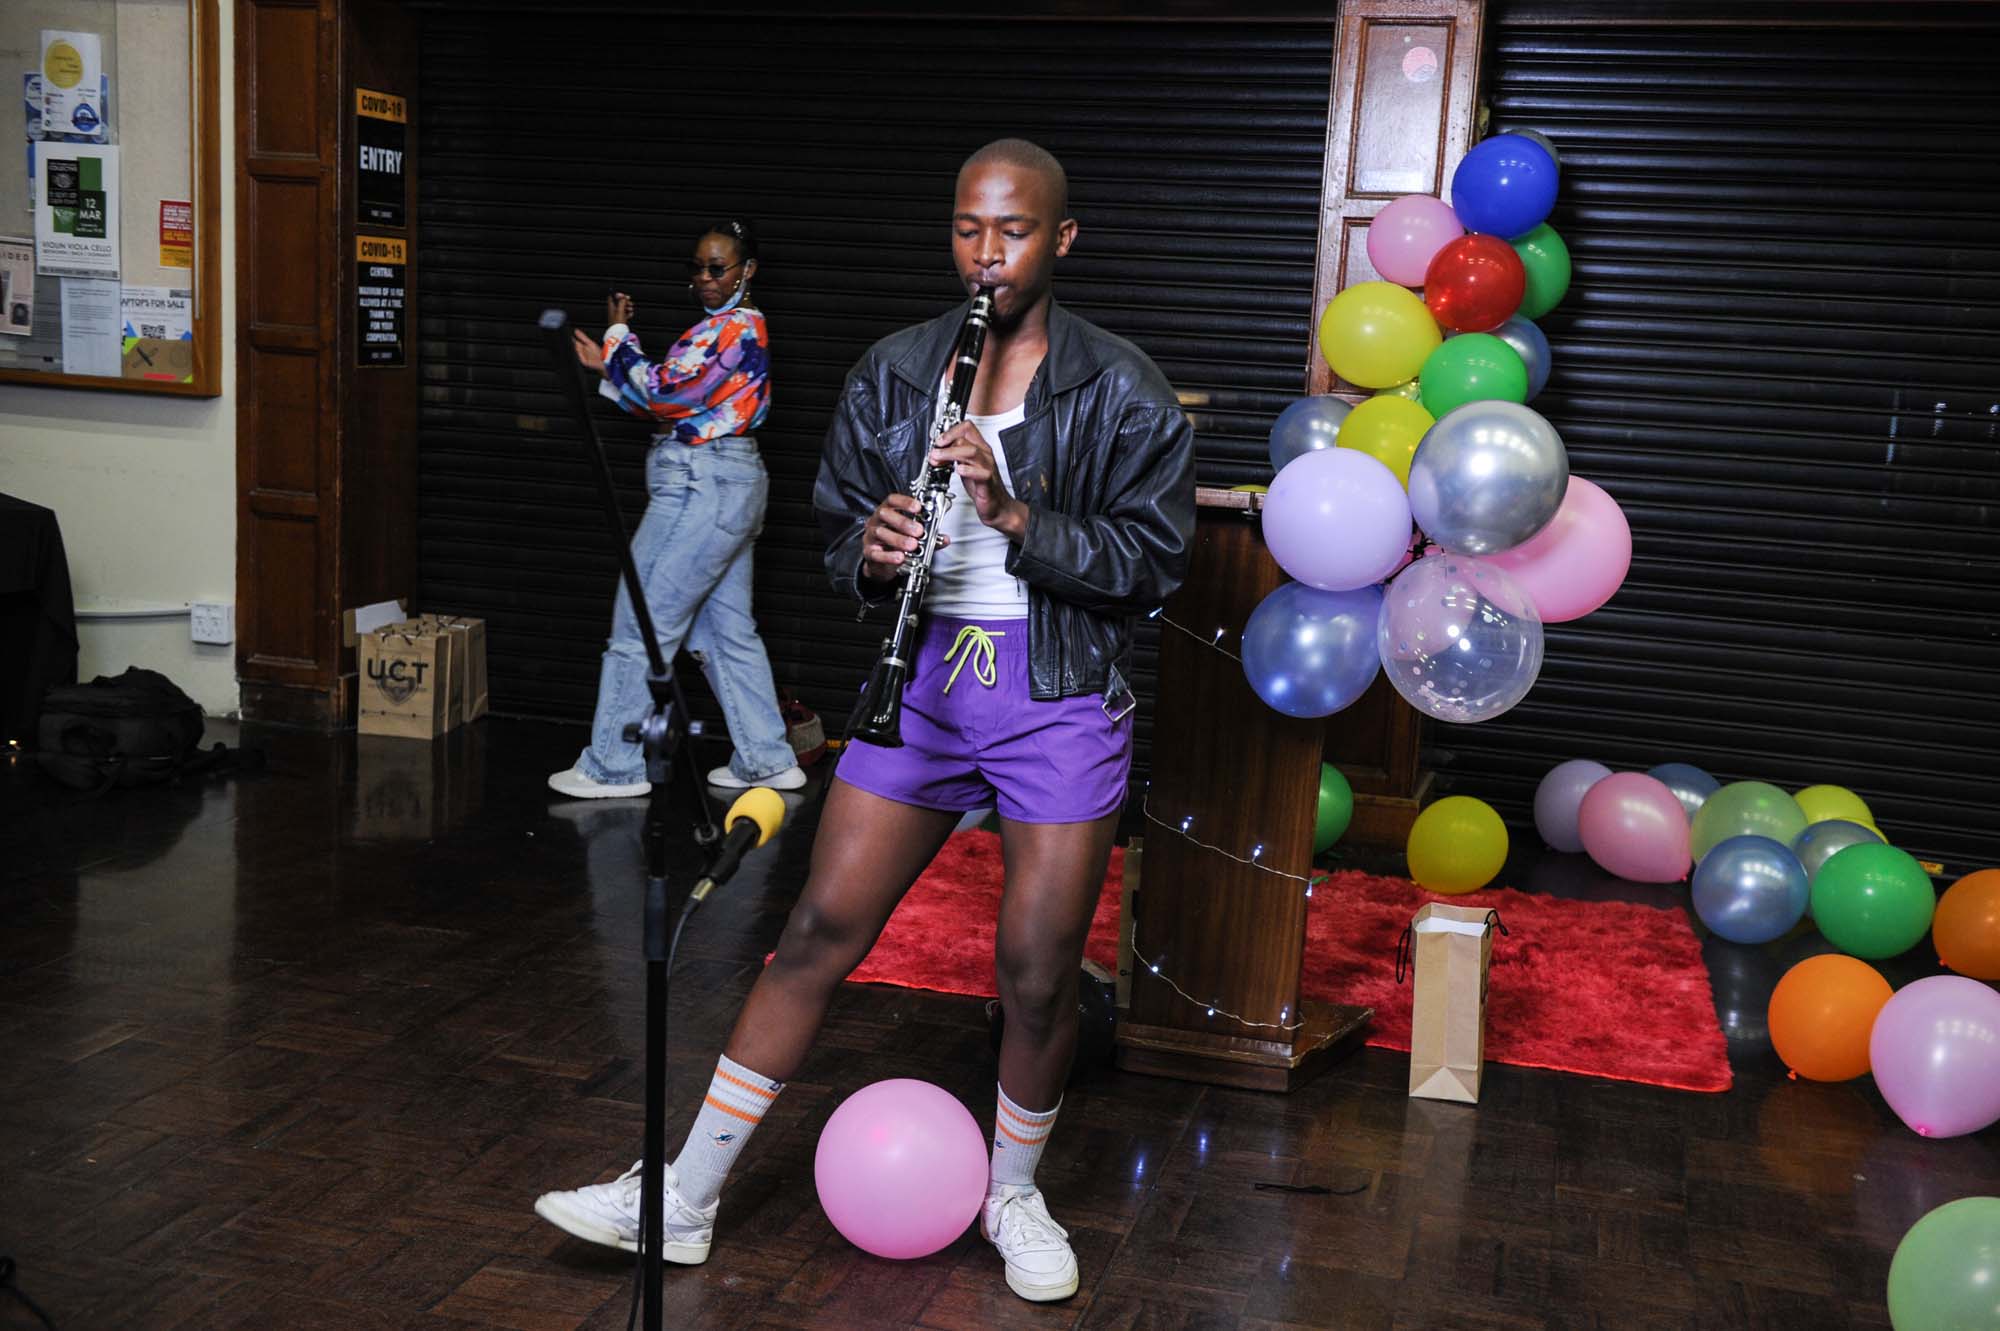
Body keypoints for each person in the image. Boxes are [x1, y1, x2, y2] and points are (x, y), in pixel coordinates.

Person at [534, 140, 1195, 1303]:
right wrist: (875, 554)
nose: (986, 255)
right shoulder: (897, 372)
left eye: (1015, 232)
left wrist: (1013, 512)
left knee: (1036, 971)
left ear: (1062, 240)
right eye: (966, 229)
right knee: (814, 931)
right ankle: (681, 1195)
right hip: (924, 687)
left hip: (1053, 697)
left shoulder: (1120, 386)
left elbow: (1153, 564)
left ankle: (1010, 1190)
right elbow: (839, 533)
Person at [548, 219, 806, 799]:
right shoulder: (720, 329)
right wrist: (609, 367)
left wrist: (618, 338)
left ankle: (613, 765)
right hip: (721, 485)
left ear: (748, 271)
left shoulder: (736, 330)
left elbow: (666, 392)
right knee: (724, 634)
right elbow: (674, 404)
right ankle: (766, 759)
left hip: (702, 486)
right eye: (698, 268)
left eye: (719, 268)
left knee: (641, 625)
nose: (707, 278)